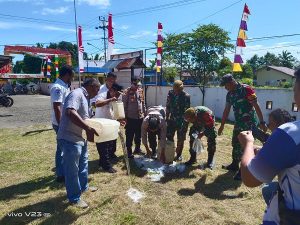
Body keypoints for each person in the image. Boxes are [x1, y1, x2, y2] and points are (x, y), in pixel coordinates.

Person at [238, 68, 300, 225]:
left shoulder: (290, 134)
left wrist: (248, 144)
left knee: (267, 189)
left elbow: (250, 179)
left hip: (289, 218)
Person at [57, 78, 100, 208]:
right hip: (70, 138)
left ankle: (84, 186)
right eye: (97, 89)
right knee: (72, 170)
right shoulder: (77, 94)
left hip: (80, 138)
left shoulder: (86, 98)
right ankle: (74, 198)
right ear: (91, 86)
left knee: (83, 163)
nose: (97, 93)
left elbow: (85, 117)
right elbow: (70, 112)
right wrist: (87, 128)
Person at [218, 74, 267, 177]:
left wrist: (262, 122)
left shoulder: (246, 89)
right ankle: (235, 164)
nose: (225, 88)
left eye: (226, 85)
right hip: (239, 123)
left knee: (245, 146)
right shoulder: (230, 94)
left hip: (249, 123)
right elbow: (226, 110)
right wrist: (222, 125)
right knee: (235, 143)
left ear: (231, 82)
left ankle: (243, 170)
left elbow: (256, 105)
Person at [50, 65, 74, 183]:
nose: (73, 78)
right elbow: (57, 107)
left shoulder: (65, 86)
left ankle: (63, 171)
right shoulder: (57, 87)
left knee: (64, 148)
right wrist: (61, 126)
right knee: (61, 149)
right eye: (72, 75)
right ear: (67, 75)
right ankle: (60, 175)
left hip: (65, 122)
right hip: (60, 123)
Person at [94, 83, 123, 173]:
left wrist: (119, 120)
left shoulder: (116, 97)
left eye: (119, 94)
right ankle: (106, 166)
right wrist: (110, 99)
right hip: (101, 124)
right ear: (111, 90)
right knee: (103, 145)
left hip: (110, 124)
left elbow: (115, 112)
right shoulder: (102, 95)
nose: (118, 96)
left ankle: (103, 161)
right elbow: (97, 104)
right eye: (117, 93)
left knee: (110, 144)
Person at [166, 80, 190, 161]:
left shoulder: (186, 96)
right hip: (172, 119)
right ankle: (170, 151)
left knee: (181, 139)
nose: (176, 92)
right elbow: (168, 105)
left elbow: (187, 111)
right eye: (175, 90)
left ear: (181, 89)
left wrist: (186, 123)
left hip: (182, 121)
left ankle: (179, 154)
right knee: (169, 136)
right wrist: (167, 118)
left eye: (178, 90)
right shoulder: (170, 93)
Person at [123, 78, 146, 158]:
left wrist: (144, 113)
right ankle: (129, 152)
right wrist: (125, 117)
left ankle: (137, 148)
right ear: (132, 83)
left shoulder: (140, 90)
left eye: (138, 85)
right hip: (130, 118)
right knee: (129, 135)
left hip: (140, 117)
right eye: (135, 84)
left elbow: (143, 103)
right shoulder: (127, 92)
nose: (137, 86)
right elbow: (124, 106)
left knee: (138, 134)